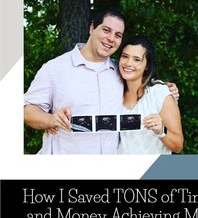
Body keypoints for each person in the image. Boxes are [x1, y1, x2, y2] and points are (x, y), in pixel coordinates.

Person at [24, 10, 179, 154]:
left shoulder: (119, 71)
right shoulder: (55, 68)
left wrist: (165, 90)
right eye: (106, 30)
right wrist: (50, 119)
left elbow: (141, 83)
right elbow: (27, 110)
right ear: (92, 28)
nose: (111, 38)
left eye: (118, 35)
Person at [118, 36, 183, 154]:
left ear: (147, 65)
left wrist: (161, 130)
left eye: (137, 59)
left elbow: (178, 145)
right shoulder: (114, 92)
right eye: (125, 56)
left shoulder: (159, 93)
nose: (128, 63)